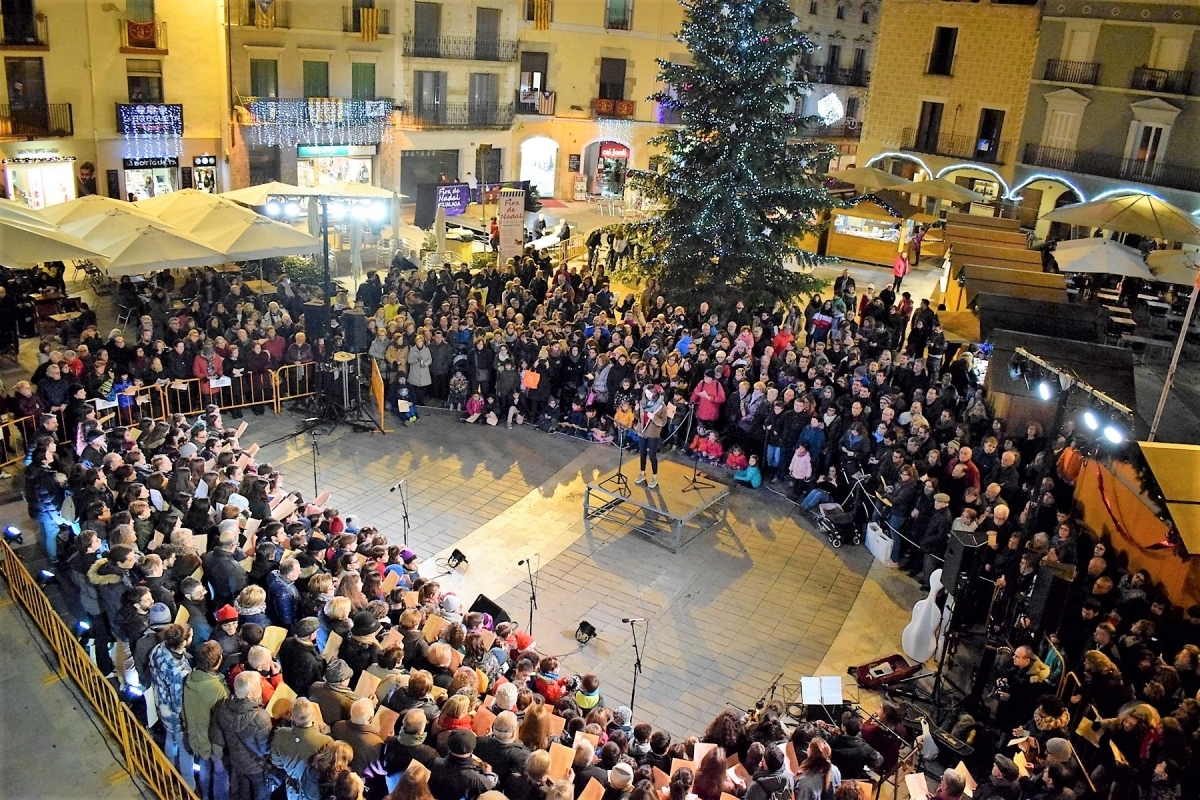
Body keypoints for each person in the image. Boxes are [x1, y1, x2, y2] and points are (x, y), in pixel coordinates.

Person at [210, 670, 273, 800]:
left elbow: (218, 739)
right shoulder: (260, 717)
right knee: (262, 795)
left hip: (236, 761)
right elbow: (266, 749)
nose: (262, 687)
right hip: (257, 767)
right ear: (250, 695)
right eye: (259, 685)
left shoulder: (222, 707)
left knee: (243, 793)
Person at [270, 697, 333, 800]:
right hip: (313, 791)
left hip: (292, 789)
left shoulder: (280, 734)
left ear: (292, 716)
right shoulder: (326, 741)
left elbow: (276, 761)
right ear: (313, 715)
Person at [634, 384, 669, 488]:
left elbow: (663, 422)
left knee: (652, 456)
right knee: (642, 454)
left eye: (649, 393)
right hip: (642, 432)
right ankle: (642, 473)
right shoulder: (642, 402)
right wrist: (636, 410)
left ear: (654, 393)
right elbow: (638, 417)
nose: (647, 395)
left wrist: (654, 417)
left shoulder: (661, 406)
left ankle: (654, 477)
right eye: (646, 393)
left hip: (653, 434)